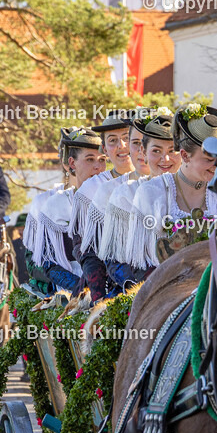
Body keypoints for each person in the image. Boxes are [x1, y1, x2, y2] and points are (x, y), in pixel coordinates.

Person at [99, 105, 217, 292]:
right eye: (209, 160)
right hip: (164, 291)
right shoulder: (152, 193)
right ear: (185, 155)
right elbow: (137, 263)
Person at [69, 110, 139, 302]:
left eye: (126, 138)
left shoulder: (158, 181)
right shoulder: (91, 190)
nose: (121, 146)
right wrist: (100, 295)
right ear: (104, 150)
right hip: (107, 283)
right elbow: (83, 248)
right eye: (113, 140)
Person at [22, 127, 101, 295]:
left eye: (102, 160)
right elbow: (43, 261)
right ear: (70, 163)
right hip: (68, 291)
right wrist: (79, 288)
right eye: (90, 159)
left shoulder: (114, 199)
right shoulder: (53, 205)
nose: (97, 167)